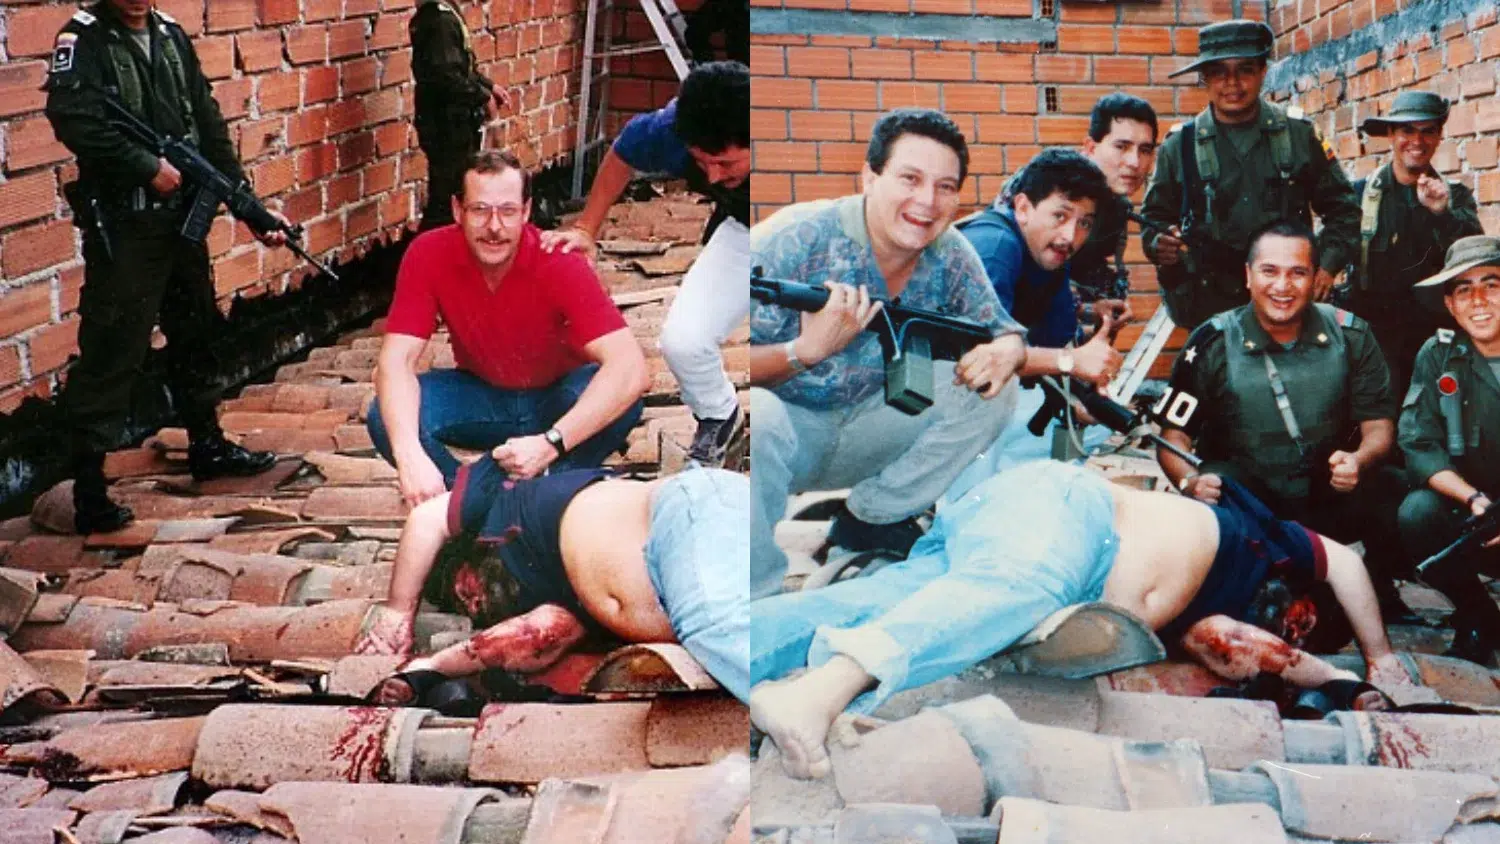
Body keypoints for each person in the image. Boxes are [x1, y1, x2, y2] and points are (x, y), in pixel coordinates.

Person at [750, 459, 1413, 780]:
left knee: (881, 603)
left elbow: (1232, 647)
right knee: (1021, 588)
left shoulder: (1209, 629)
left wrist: (1314, 679)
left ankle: (730, 653)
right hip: (1072, 519)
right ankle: (820, 692)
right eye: (1303, 622)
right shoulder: (1269, 542)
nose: (1291, 636)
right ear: (1305, 595)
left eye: (1301, 637)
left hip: (1023, 528)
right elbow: (1346, 566)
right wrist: (1370, 661)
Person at [748, 109, 1027, 598]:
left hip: (869, 428)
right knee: (761, 413)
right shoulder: (791, 239)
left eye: (945, 187)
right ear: (869, 177)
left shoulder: (951, 251)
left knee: (993, 392)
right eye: (910, 179)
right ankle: (755, 594)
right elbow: (718, 367)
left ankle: (871, 520)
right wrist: (802, 351)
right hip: (786, 435)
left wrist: (1006, 352)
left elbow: (1003, 331)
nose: (926, 201)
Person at [43, 0, 285, 535]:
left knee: (196, 329)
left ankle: (207, 445)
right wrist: (146, 168)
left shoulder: (171, 36)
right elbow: (75, 121)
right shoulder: (83, 39)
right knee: (114, 348)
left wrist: (248, 205)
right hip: (127, 230)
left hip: (182, 225)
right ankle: (89, 492)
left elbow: (207, 119)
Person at [1152, 222, 1419, 624]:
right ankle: (1258, 588)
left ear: (1316, 278)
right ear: (1248, 276)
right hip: (1252, 500)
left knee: (1396, 489)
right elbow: (1172, 438)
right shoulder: (1211, 342)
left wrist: (1359, 460)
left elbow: (1379, 426)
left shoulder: (1352, 334)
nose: (1283, 286)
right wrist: (1189, 481)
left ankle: (1378, 586)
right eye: (1269, 271)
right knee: (1217, 487)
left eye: (1297, 272)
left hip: (1326, 490)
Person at [368, 151, 648, 509]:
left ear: (527, 211)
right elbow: (395, 362)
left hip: (559, 399)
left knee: (620, 398)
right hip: (485, 397)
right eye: (480, 210)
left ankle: (550, 487)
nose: (495, 227)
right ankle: (473, 502)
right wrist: (410, 458)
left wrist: (551, 443)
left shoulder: (558, 260)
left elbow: (631, 368)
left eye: (508, 211)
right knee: (385, 416)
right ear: (458, 210)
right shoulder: (428, 253)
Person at [354, 459, 748, 704]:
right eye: (467, 611)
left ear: (465, 552)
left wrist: (397, 611)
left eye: (464, 591)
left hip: (691, 515)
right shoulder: (556, 595)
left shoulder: (505, 505)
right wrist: (426, 671)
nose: (474, 607)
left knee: (713, 627)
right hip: (712, 569)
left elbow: (425, 520)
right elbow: (532, 636)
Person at [545, 62, 750, 468]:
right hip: (743, 229)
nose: (711, 174)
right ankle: (720, 418)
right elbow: (624, 153)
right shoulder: (670, 129)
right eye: (701, 160)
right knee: (684, 340)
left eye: (726, 164)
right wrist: (586, 228)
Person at [1141, 19, 1359, 331]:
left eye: (1244, 70)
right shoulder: (1181, 146)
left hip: (1287, 304)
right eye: (1219, 72)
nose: (1232, 83)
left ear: (1262, 72)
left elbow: (1344, 209)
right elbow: (1154, 219)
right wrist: (1160, 244)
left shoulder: (1298, 135)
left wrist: (1326, 266)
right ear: (1204, 78)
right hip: (1211, 309)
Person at [1398, 236, 1500, 666]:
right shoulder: (1439, 355)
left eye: (1492, 284)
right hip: (1478, 513)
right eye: (1464, 289)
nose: (1479, 301)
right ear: (1451, 304)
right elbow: (1419, 443)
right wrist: (1474, 500)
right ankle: (1480, 616)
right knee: (1417, 514)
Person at [984, 94, 1160, 338]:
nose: (1134, 162)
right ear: (1089, 147)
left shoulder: (1116, 208)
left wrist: (1095, 311)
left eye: (1145, 150)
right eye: (1121, 147)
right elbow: (1015, 274)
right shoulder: (1048, 183)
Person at [1348, 92, 1482, 394]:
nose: (1417, 141)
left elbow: (1474, 255)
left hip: (1436, 338)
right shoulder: (1360, 196)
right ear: (1392, 135)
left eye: (1427, 131)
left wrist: (1441, 213)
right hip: (1375, 342)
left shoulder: (1456, 196)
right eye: (1407, 130)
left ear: (1438, 137)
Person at [956, 147, 1123, 382]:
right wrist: (1073, 361)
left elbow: (1054, 344)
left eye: (1084, 223)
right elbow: (981, 359)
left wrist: (1078, 403)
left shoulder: (1050, 254)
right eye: (1059, 216)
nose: (1070, 236)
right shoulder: (995, 249)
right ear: (1023, 208)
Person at [410, 0, 509, 230]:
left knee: (453, 190)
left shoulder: (444, 13)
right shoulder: (440, 20)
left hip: (451, 122)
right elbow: (447, 77)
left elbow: (460, 66)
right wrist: (482, 97)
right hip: (446, 125)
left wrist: (488, 85)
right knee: (447, 198)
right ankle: (430, 257)